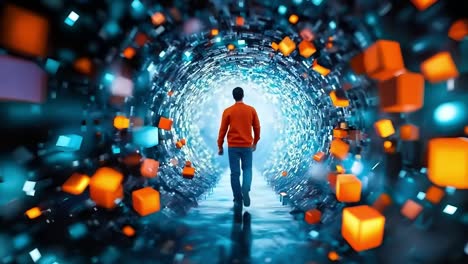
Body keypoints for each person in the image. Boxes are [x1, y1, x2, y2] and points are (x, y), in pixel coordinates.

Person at [217, 87, 260, 207]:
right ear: (243, 95)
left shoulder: (228, 111)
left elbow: (223, 130)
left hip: (233, 147)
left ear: (233, 96)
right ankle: (245, 190)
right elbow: (257, 127)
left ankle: (237, 198)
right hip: (247, 146)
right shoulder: (251, 110)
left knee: (234, 173)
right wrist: (255, 142)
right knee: (247, 170)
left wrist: (220, 145)